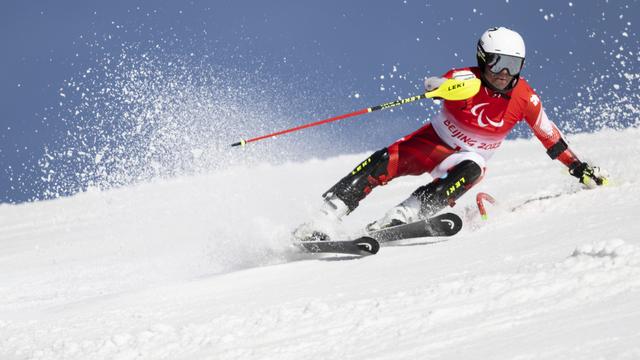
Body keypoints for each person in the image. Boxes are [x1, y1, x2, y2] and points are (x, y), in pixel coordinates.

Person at [294, 26, 608, 241]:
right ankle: (321, 219)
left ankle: (402, 216)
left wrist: (577, 167)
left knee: (474, 169)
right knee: (382, 162)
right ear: (483, 59)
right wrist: (436, 88)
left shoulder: (525, 98)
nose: (504, 73)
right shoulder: (465, 80)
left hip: (466, 159)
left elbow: (549, 134)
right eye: (498, 63)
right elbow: (439, 84)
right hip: (432, 143)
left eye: (513, 65)